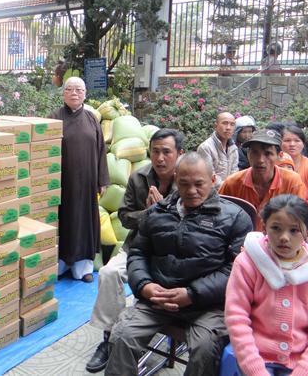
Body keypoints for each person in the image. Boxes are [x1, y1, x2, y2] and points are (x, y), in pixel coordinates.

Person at [104, 152, 252, 376]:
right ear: (175, 179)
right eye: (184, 184)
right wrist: (145, 286)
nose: (191, 191)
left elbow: (237, 269)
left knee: (204, 350)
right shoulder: (157, 212)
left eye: (199, 184)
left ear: (213, 180)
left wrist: (191, 294)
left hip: (208, 306)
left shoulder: (235, 217)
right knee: (122, 335)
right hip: (158, 298)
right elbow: (138, 253)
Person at [86, 128, 185, 373]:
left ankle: (143, 328)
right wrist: (150, 213)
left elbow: (190, 224)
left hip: (173, 253)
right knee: (108, 272)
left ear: (180, 154)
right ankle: (110, 338)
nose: (160, 158)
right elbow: (124, 217)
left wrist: (163, 211)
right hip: (138, 246)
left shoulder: (188, 180)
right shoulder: (139, 177)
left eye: (166, 152)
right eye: (155, 151)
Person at [225, 195, 308, 376]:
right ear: (264, 228)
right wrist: (255, 369)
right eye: (276, 228)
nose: (284, 237)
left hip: (301, 360)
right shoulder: (248, 263)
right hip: (255, 357)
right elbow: (236, 317)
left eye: (294, 230)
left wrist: (307, 370)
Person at [50, 77, 110, 282]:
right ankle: (60, 265)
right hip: (62, 183)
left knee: (85, 223)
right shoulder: (53, 118)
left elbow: (101, 150)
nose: (74, 93)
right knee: (64, 222)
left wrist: (102, 179)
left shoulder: (92, 119)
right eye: (69, 89)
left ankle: (83, 269)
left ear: (85, 93)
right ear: (63, 93)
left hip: (87, 183)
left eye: (78, 89)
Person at [219, 129, 307, 231]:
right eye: (255, 152)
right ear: (248, 154)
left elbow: (299, 221)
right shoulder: (232, 183)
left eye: (268, 154)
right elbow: (219, 217)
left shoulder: (292, 182)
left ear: (279, 156)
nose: (260, 160)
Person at [281, 125, 308, 208]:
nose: (292, 144)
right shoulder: (272, 165)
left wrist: (293, 210)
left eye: (297, 141)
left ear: (303, 144)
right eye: (287, 140)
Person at [197, 111, 238, 187]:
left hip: (229, 191)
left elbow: (235, 173)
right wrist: (228, 187)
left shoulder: (234, 148)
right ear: (215, 126)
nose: (228, 128)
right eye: (225, 123)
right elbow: (209, 177)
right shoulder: (206, 148)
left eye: (232, 124)